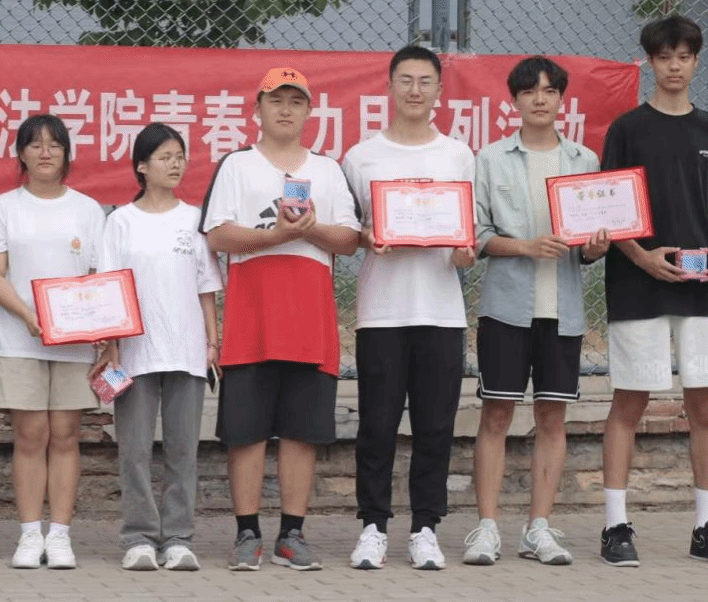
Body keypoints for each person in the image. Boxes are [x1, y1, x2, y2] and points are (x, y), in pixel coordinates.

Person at [200, 67, 360, 571]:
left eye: (295, 101)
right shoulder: (237, 165)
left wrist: (309, 231)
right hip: (251, 317)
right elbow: (217, 235)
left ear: (310, 110)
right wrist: (276, 236)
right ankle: (247, 534)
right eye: (276, 100)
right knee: (245, 432)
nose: (285, 109)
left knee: (301, 431)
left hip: (310, 319)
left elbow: (350, 239)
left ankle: (292, 534)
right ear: (258, 109)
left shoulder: (328, 170)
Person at [462, 57, 610, 567]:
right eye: (529, 91)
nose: (540, 99)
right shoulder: (491, 159)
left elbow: (590, 243)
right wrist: (525, 246)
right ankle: (486, 528)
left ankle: (538, 529)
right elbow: (477, 234)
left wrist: (596, 247)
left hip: (562, 310)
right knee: (496, 414)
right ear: (515, 100)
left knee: (551, 416)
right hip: (506, 309)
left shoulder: (584, 160)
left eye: (549, 91)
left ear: (562, 99)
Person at [597, 15, 708, 567]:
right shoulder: (627, 129)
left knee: (705, 405)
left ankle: (706, 527)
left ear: (696, 61)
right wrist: (643, 258)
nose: (674, 66)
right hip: (638, 285)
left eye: (683, 56)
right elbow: (609, 210)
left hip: (702, 289)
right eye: (664, 57)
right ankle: (615, 526)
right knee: (630, 401)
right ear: (650, 62)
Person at [341, 45, 476, 571]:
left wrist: (465, 252)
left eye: (425, 81)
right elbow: (350, 230)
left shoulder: (458, 155)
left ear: (439, 90)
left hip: (441, 311)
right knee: (376, 426)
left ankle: (426, 529)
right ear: (389, 86)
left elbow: (466, 234)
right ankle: (373, 527)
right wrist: (367, 236)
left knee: (435, 427)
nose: (415, 90)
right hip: (382, 310)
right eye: (406, 80)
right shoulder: (361, 157)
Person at [93, 123, 222, 572]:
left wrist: (212, 340)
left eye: (180, 156)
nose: (175, 164)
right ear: (142, 166)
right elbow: (109, 286)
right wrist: (111, 345)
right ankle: (140, 537)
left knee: (183, 450)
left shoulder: (194, 220)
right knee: (134, 451)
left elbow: (206, 286)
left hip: (186, 350)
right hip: (135, 353)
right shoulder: (120, 222)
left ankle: (179, 537)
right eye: (165, 157)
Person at [0, 114, 106, 569]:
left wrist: (98, 328)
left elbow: (99, 277)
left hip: (74, 343)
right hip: (20, 339)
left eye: (55, 144)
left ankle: (61, 536)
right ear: (21, 154)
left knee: (66, 435)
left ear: (67, 153)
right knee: (30, 435)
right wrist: (27, 315)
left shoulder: (88, 210)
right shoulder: (5, 208)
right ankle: (30, 533)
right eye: (35, 144)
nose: (46, 152)